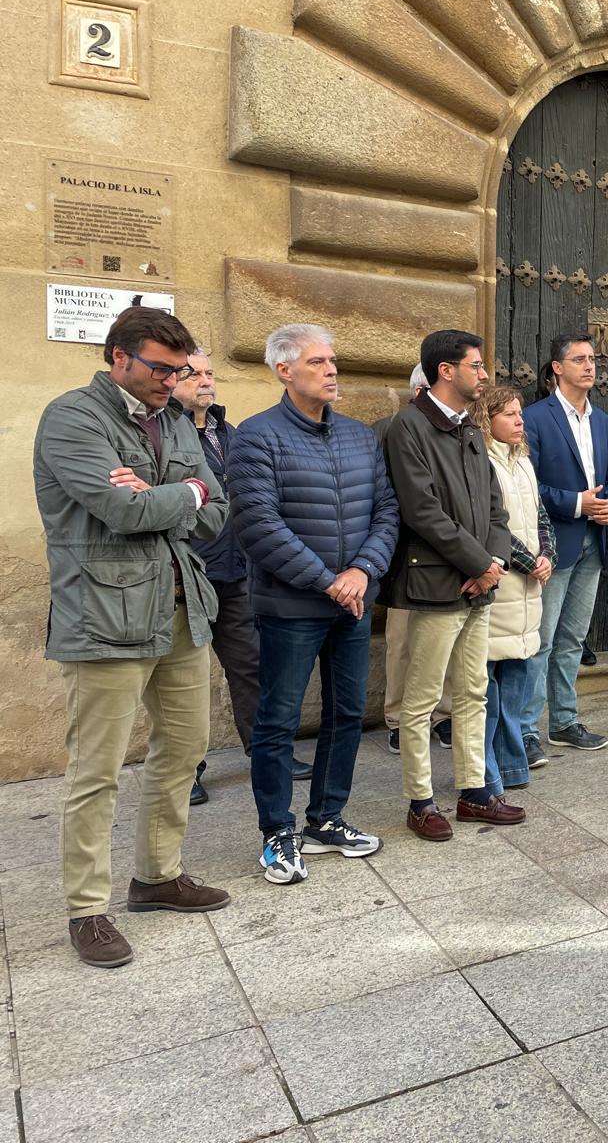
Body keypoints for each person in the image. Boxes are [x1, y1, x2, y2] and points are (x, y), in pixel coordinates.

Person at [35, 306, 231, 967]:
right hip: (104, 617)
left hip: (181, 608)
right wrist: (186, 492)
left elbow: (218, 512)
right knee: (98, 769)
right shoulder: (73, 418)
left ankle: (156, 875)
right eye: (160, 369)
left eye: (179, 371)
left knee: (184, 747)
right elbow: (120, 509)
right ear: (117, 356)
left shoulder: (175, 419)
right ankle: (87, 910)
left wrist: (175, 493)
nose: (171, 383)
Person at [229, 325, 398, 884]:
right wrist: (328, 580)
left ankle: (327, 818)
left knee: (347, 713)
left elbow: (386, 513)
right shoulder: (256, 437)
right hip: (291, 607)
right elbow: (258, 525)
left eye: (333, 361)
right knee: (278, 721)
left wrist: (361, 572)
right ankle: (277, 831)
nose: (332, 371)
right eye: (318, 362)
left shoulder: (358, 436)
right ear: (284, 370)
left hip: (350, 603)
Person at [382, 329, 523, 841]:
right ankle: (420, 801)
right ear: (447, 371)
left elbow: (494, 507)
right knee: (420, 701)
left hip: (478, 582)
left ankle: (473, 792)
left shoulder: (468, 429)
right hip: (435, 585)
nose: (484, 375)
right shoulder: (409, 427)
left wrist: (493, 562)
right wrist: (475, 562)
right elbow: (421, 510)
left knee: (472, 691)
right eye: (477, 366)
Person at [169, 349, 280, 806]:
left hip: (237, 572)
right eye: (194, 373)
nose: (205, 380)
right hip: (187, 574)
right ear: (171, 380)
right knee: (180, 680)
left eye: (210, 373)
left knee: (251, 666)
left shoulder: (227, 433)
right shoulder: (161, 432)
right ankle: (184, 770)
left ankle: (265, 754)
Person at [523, 333, 608, 749]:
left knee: (572, 640)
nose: (589, 365)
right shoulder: (535, 417)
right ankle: (525, 729)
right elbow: (529, 485)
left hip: (593, 544)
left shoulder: (603, 420)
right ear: (557, 368)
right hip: (554, 543)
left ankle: (564, 721)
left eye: (592, 358)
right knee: (540, 640)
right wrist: (578, 504)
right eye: (579, 359)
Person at [473, 385, 556, 790]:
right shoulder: (481, 461)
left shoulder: (522, 460)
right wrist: (527, 562)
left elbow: (540, 513)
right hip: (501, 587)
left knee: (516, 692)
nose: (520, 420)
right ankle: (486, 775)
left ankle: (511, 767)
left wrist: (548, 555)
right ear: (487, 421)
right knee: (487, 695)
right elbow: (493, 524)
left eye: (520, 413)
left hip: (528, 593)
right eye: (509, 414)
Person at [376, 365, 452, 756]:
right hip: (406, 553)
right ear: (422, 389)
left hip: (452, 553)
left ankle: (442, 716)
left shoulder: (458, 428)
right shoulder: (387, 428)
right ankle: (398, 720)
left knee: (447, 642)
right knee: (402, 642)